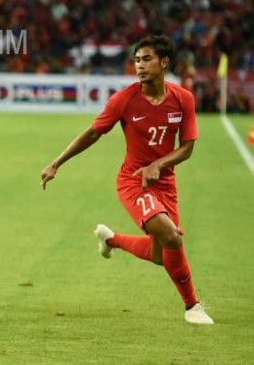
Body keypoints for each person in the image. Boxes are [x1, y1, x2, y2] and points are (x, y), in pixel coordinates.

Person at [40, 35, 214, 325]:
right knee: (171, 235)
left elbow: (187, 148)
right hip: (133, 182)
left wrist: (158, 164)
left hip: (164, 183)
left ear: (164, 62)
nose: (140, 66)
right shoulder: (124, 99)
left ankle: (111, 239)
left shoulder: (183, 99)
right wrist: (57, 162)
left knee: (161, 255)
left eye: (147, 59)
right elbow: (94, 132)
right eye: (137, 60)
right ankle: (192, 306)